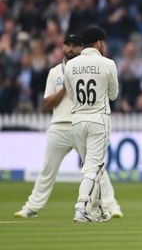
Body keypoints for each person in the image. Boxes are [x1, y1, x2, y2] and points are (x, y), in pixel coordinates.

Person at [14, 33, 123, 219]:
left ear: (82, 48)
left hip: (78, 123)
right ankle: (31, 207)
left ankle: (110, 207)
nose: (71, 48)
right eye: (67, 45)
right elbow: (46, 104)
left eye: (75, 45)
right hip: (59, 126)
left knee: (96, 168)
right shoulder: (55, 72)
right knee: (49, 170)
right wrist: (63, 88)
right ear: (62, 47)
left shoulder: (79, 67)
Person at [64, 26, 119, 222]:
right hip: (98, 119)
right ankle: (81, 208)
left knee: (92, 168)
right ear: (97, 43)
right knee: (93, 168)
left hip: (77, 120)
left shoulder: (70, 65)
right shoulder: (108, 64)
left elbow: (71, 95)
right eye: (102, 42)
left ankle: (95, 211)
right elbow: (113, 94)